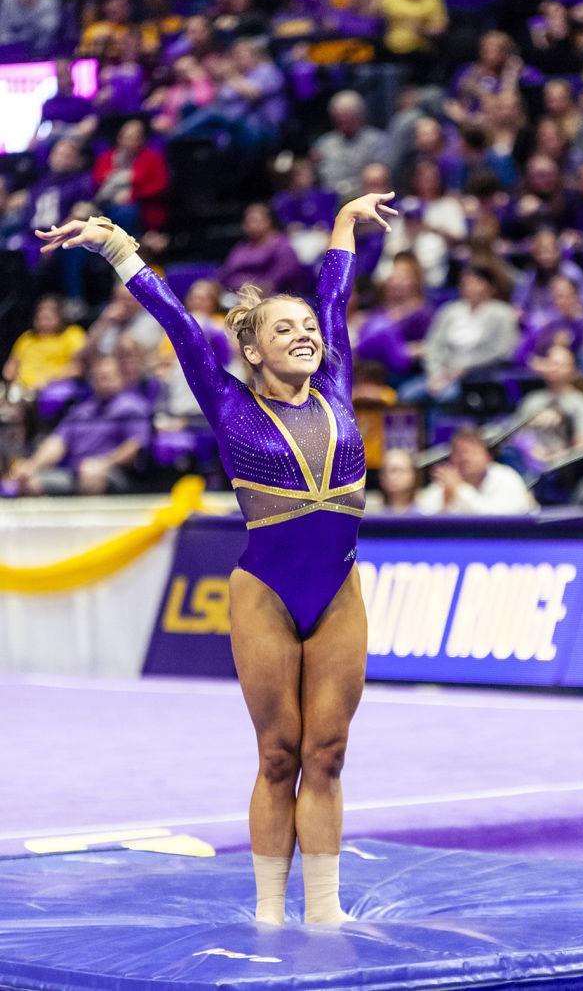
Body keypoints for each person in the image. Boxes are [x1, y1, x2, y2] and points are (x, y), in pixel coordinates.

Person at [36, 190, 398, 925]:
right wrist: (113, 243)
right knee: (280, 755)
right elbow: (176, 321)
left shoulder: (334, 383)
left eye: (307, 328)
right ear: (254, 350)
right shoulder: (228, 401)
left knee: (327, 750)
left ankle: (324, 914)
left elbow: (334, 293)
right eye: (283, 329)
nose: (304, 333)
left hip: (340, 589)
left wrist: (342, 224)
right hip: (264, 589)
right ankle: (270, 911)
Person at [12, 353, 151, 495]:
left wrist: (103, 464)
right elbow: (57, 443)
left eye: (106, 377)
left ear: (121, 378)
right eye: (97, 378)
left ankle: (93, 518)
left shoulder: (133, 407)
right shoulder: (82, 410)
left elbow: (134, 447)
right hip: (75, 473)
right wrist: (32, 466)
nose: (101, 382)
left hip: (116, 473)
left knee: (91, 477)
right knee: (29, 482)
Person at [400, 263, 518, 402]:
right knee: (405, 394)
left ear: (490, 287)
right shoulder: (449, 311)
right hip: (443, 373)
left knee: (447, 396)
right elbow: (433, 345)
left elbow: (502, 351)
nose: (469, 287)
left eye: (476, 282)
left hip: (479, 376)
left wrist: (465, 368)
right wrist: (435, 374)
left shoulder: (502, 313)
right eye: (465, 283)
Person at [418, 426, 533, 514]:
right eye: (458, 453)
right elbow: (423, 515)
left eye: (472, 452)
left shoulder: (506, 477)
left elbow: (494, 520)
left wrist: (460, 489)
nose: (465, 458)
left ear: (488, 457)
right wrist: (447, 500)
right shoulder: (447, 481)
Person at [2, 295, 85, 395]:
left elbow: (78, 368)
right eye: (39, 318)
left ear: (60, 317)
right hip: (22, 389)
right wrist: (14, 383)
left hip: (55, 387)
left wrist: (50, 379)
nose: (42, 323)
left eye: (47, 318)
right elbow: (9, 369)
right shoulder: (27, 338)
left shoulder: (72, 334)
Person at [378, 448, 420, 513]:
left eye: (397, 470)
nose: (391, 476)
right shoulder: (373, 517)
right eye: (385, 471)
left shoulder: (426, 516)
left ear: (413, 475)